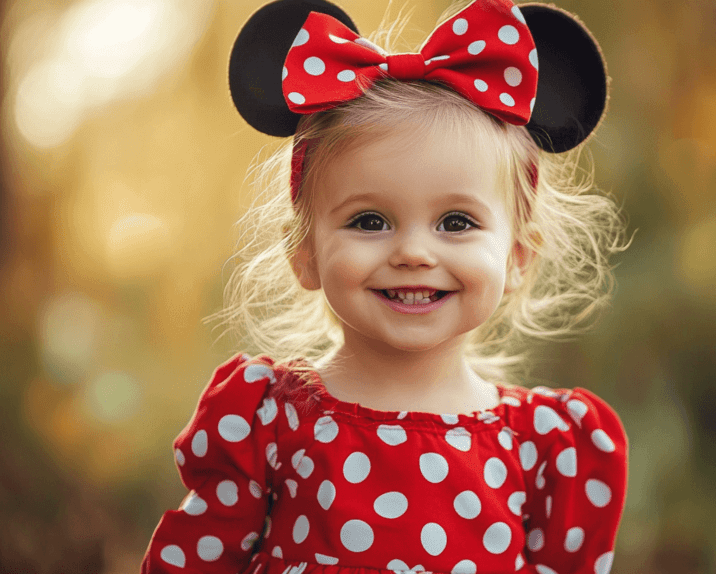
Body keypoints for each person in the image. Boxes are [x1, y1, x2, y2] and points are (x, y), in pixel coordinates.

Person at [141, 0, 629, 572]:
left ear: (518, 257)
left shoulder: (545, 449)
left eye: (457, 222)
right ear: (305, 253)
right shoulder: (269, 422)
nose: (414, 253)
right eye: (369, 221)